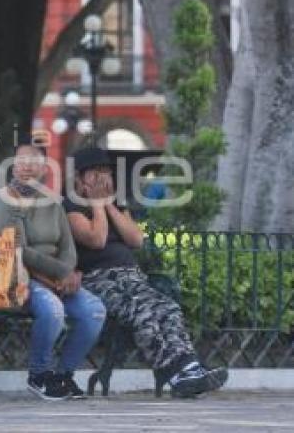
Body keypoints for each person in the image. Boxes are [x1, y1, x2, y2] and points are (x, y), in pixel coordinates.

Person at [64, 146, 228, 398]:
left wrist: (108, 206)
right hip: (98, 280)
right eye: (95, 173)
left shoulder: (117, 202)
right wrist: (97, 205)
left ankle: (189, 369)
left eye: (106, 172)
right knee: (142, 314)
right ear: (79, 177)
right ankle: (178, 372)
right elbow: (96, 239)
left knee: (167, 308)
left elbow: (136, 239)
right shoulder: (72, 206)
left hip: (131, 276)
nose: (102, 178)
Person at [0, 141, 105, 401]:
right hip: (18, 278)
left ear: (43, 170)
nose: (25, 167)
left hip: (54, 279)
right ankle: (38, 376)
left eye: (33, 162)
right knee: (53, 309)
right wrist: (59, 276)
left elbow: (68, 247)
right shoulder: (5, 201)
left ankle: (62, 376)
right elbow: (20, 250)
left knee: (93, 310)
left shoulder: (52, 202)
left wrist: (67, 273)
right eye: (20, 161)